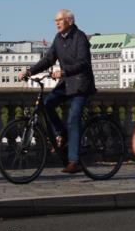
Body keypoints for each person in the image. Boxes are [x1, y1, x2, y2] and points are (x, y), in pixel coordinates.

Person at [19, 10, 95, 174]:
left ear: (69, 20)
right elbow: (48, 59)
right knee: (47, 104)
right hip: (67, 84)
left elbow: (84, 63)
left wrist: (64, 72)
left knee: (73, 118)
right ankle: (62, 134)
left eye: (60, 20)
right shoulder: (58, 39)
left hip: (81, 84)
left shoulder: (79, 37)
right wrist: (30, 71)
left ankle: (74, 161)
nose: (57, 23)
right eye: (55, 20)